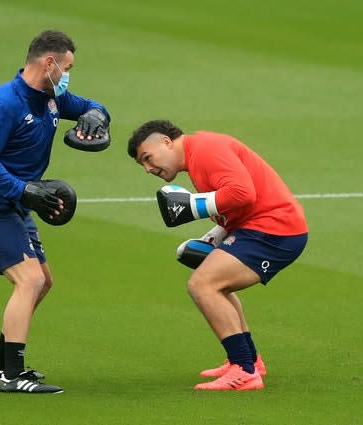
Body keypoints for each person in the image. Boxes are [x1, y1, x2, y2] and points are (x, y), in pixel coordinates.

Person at [0, 30, 110, 394]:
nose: (69, 75)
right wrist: (25, 190)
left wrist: (95, 114)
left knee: (43, 282)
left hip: (17, 204)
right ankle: (14, 375)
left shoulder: (52, 97)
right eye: (68, 67)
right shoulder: (3, 104)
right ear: (50, 63)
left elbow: (91, 104)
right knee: (28, 280)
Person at [127, 120, 307, 391]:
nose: (148, 169)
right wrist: (212, 238)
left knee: (204, 285)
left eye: (147, 158)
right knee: (215, 285)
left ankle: (244, 370)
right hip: (260, 228)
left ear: (166, 141)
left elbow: (243, 193)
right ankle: (251, 362)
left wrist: (191, 206)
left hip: (274, 230)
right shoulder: (199, 156)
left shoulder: (206, 149)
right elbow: (235, 209)